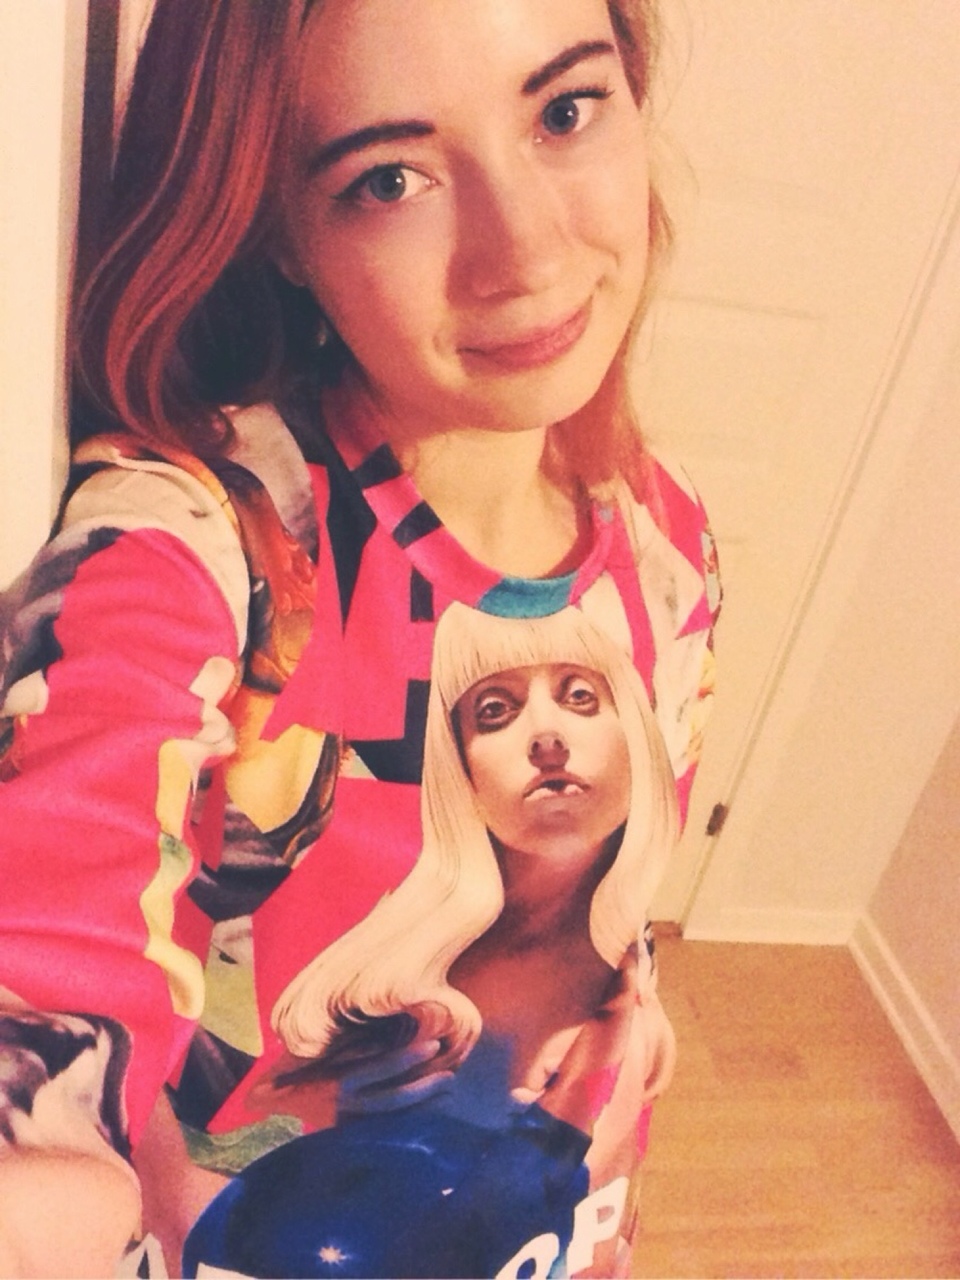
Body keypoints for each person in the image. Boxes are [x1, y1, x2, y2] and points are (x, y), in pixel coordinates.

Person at [0, 0, 720, 1275]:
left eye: (565, 110)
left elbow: (612, 924)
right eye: (390, 178)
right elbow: (58, 906)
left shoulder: (669, 540)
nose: (527, 252)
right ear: (283, 226)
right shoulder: (211, 549)